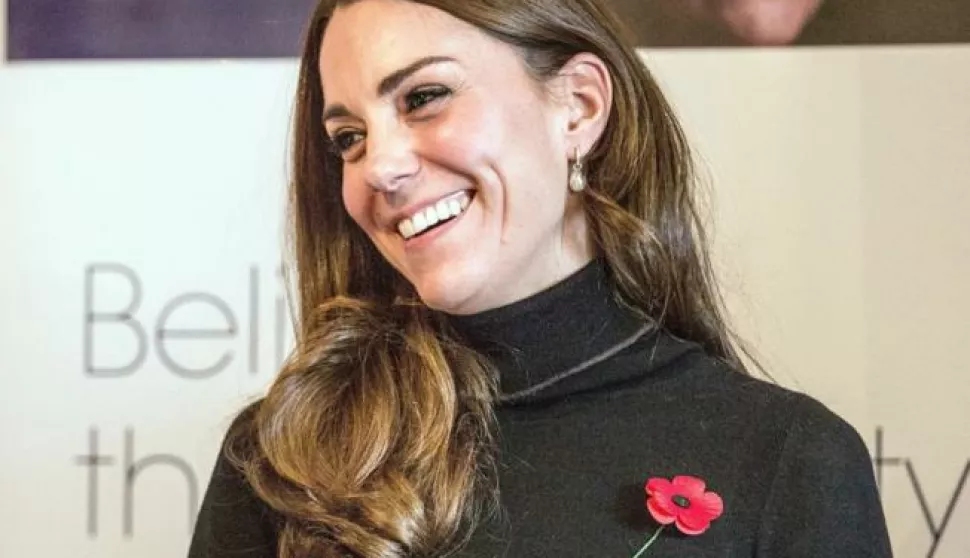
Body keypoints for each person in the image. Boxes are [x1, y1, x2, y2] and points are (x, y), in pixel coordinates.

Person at [188, 0, 893, 556]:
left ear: (579, 106)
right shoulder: (287, 456)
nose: (379, 166)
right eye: (349, 138)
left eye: (424, 96)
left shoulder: (789, 459)